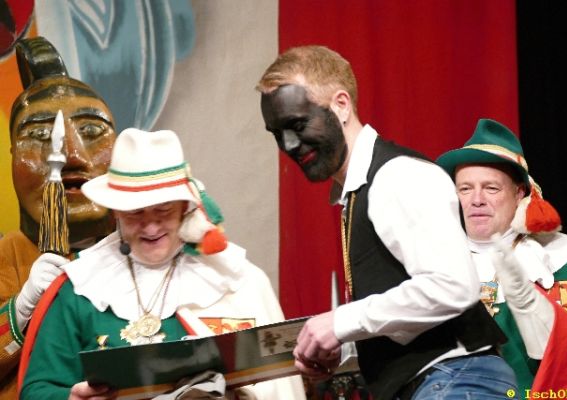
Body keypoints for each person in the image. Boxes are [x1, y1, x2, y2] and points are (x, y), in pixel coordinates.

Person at [256, 45, 517, 400]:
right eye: (276, 133)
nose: (288, 145)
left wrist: (341, 322)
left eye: (297, 125)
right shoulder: (361, 190)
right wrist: (343, 342)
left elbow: (454, 286)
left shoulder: (397, 175)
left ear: (341, 105)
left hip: (456, 382)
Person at [20, 128, 306, 400]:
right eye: (135, 212)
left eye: (163, 209)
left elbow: (280, 388)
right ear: (116, 211)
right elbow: (37, 390)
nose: (151, 226)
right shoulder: (81, 287)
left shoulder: (238, 280)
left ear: (184, 207)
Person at [436, 118, 567, 396]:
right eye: (465, 188)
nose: (476, 199)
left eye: (491, 188)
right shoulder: (434, 264)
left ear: (519, 193)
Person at [0, 37, 116, 399]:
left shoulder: (146, 245)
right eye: (38, 134)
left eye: (92, 131)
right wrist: (20, 310)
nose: (70, 155)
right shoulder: (6, 256)